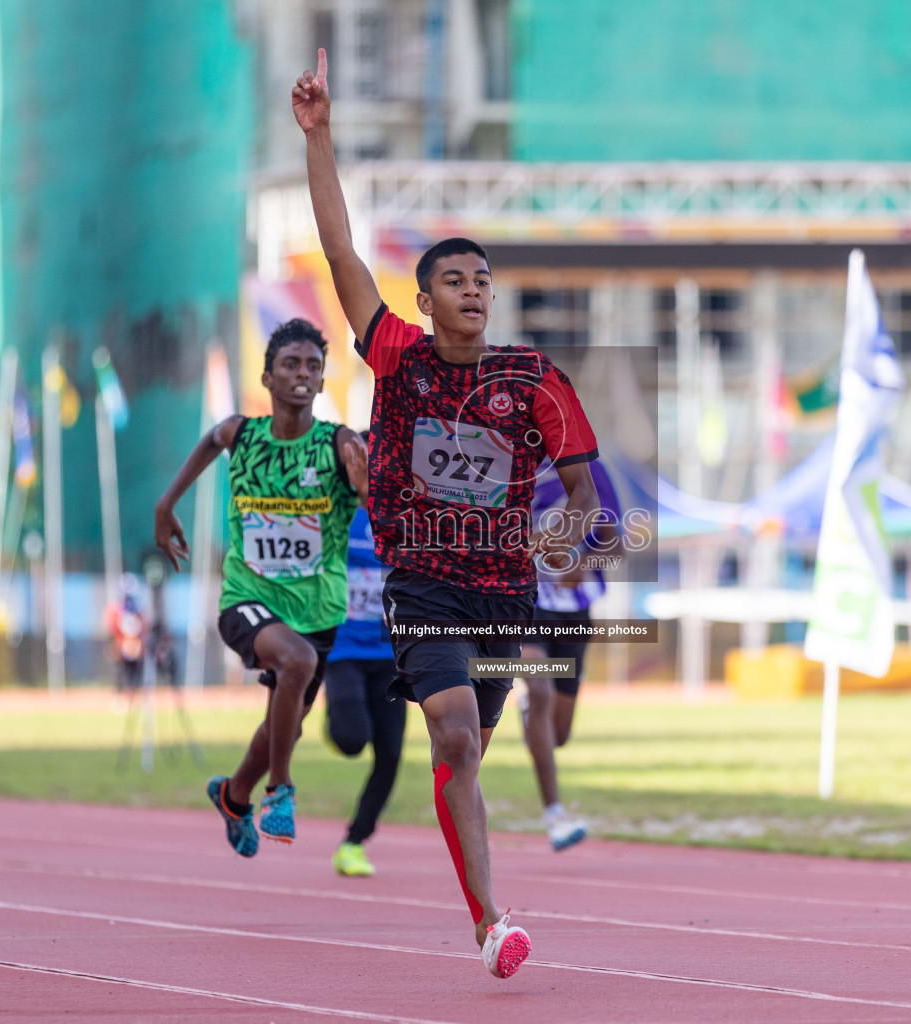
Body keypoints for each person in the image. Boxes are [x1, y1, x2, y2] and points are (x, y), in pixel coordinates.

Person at [295, 49, 601, 979]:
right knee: (456, 733)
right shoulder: (395, 354)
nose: (474, 289)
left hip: (506, 592)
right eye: (455, 280)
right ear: (425, 302)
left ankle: (467, 832)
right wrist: (320, 138)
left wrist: (569, 540)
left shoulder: (535, 382)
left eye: (483, 279)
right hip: (422, 581)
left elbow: (584, 489)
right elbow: (344, 252)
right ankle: (490, 922)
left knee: (472, 738)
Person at [155, 317, 368, 851]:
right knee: (296, 663)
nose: (302, 374)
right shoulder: (242, 435)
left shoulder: (339, 445)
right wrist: (166, 505)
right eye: (290, 364)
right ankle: (281, 789)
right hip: (246, 599)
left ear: (323, 383)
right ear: (267, 377)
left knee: (284, 726)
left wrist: (366, 483)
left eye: (313, 367)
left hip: (317, 610)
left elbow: (374, 504)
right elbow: (210, 439)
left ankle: (233, 795)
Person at [520, 459, 620, 851]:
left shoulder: (591, 467)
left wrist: (583, 562)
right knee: (539, 690)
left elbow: (616, 544)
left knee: (558, 733)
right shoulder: (504, 461)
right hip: (523, 605)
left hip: (574, 610)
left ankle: (532, 719)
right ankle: (555, 814)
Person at [322, 499, 405, 877]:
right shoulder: (336, 517)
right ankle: (336, 722)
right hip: (345, 651)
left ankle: (354, 841)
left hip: (390, 655)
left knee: (389, 754)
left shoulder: (403, 521)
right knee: (352, 738)